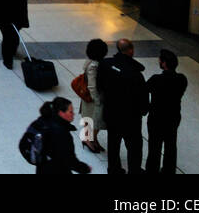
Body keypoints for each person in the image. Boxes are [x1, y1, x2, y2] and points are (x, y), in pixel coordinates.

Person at [100, 38, 148, 174]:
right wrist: (143, 110)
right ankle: (134, 170)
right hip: (130, 118)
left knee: (113, 143)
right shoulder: (136, 74)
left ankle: (114, 169)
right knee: (134, 146)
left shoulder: (106, 65)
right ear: (131, 50)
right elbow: (143, 98)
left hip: (111, 113)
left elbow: (100, 86)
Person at [145, 48, 187, 174]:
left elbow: (144, 91)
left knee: (154, 146)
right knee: (171, 144)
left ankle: (152, 169)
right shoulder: (182, 79)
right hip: (173, 116)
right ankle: (169, 169)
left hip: (156, 117)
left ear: (164, 63)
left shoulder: (156, 79)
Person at [31, 97, 92, 174]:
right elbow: (70, 160)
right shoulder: (62, 133)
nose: (73, 114)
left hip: (42, 168)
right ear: (61, 113)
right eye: (71, 112)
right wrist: (85, 168)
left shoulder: (43, 121)